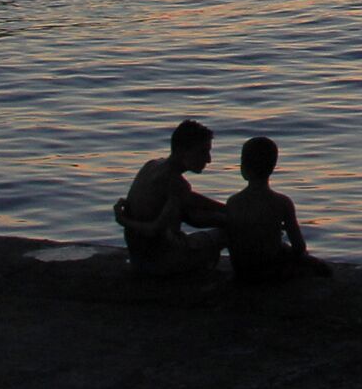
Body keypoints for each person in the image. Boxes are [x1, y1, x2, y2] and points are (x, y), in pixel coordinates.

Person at [116, 119, 228, 276]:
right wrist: (123, 221)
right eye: (203, 152)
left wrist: (227, 209)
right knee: (228, 232)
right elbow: (154, 229)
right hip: (160, 264)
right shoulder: (176, 183)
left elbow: (187, 198)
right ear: (184, 152)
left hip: (138, 260)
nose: (208, 159)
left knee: (219, 219)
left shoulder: (152, 165)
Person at [221, 136, 329, 285]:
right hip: (271, 271)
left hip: (242, 270)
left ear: (243, 167)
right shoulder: (282, 202)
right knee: (319, 268)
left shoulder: (233, 202)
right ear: (272, 167)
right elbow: (299, 247)